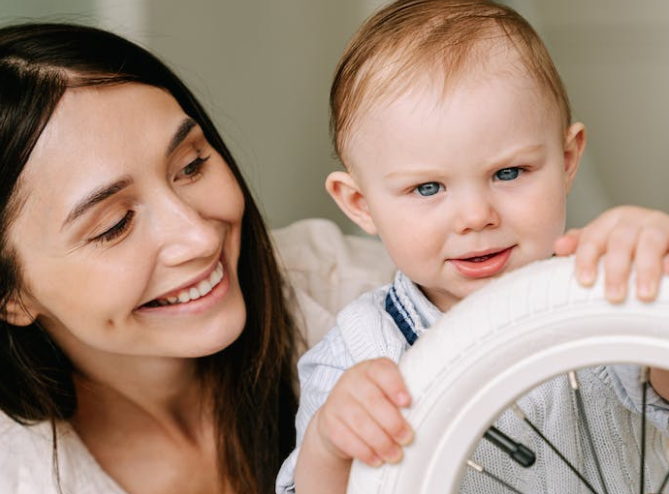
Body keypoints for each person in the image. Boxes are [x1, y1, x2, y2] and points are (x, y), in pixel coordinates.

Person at [276, 1, 669, 493]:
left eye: (509, 173)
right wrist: (330, 449)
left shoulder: (604, 286)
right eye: (427, 188)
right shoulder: (358, 354)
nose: (476, 216)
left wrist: (656, 288)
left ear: (567, 160)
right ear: (360, 204)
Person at [0, 22, 302, 494]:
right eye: (114, 224)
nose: (200, 237)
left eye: (192, 165)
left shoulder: (361, 290)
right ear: (10, 295)